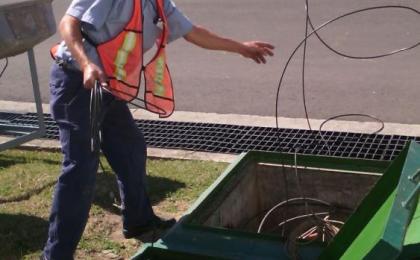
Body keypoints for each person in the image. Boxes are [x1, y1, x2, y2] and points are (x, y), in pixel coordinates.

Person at [42, 0, 274, 259]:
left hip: (109, 88)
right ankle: (56, 255)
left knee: (131, 149)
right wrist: (86, 63)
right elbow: (68, 23)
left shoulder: (157, 3)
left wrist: (241, 48)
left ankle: (139, 222)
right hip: (77, 82)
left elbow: (193, 32)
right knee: (80, 168)